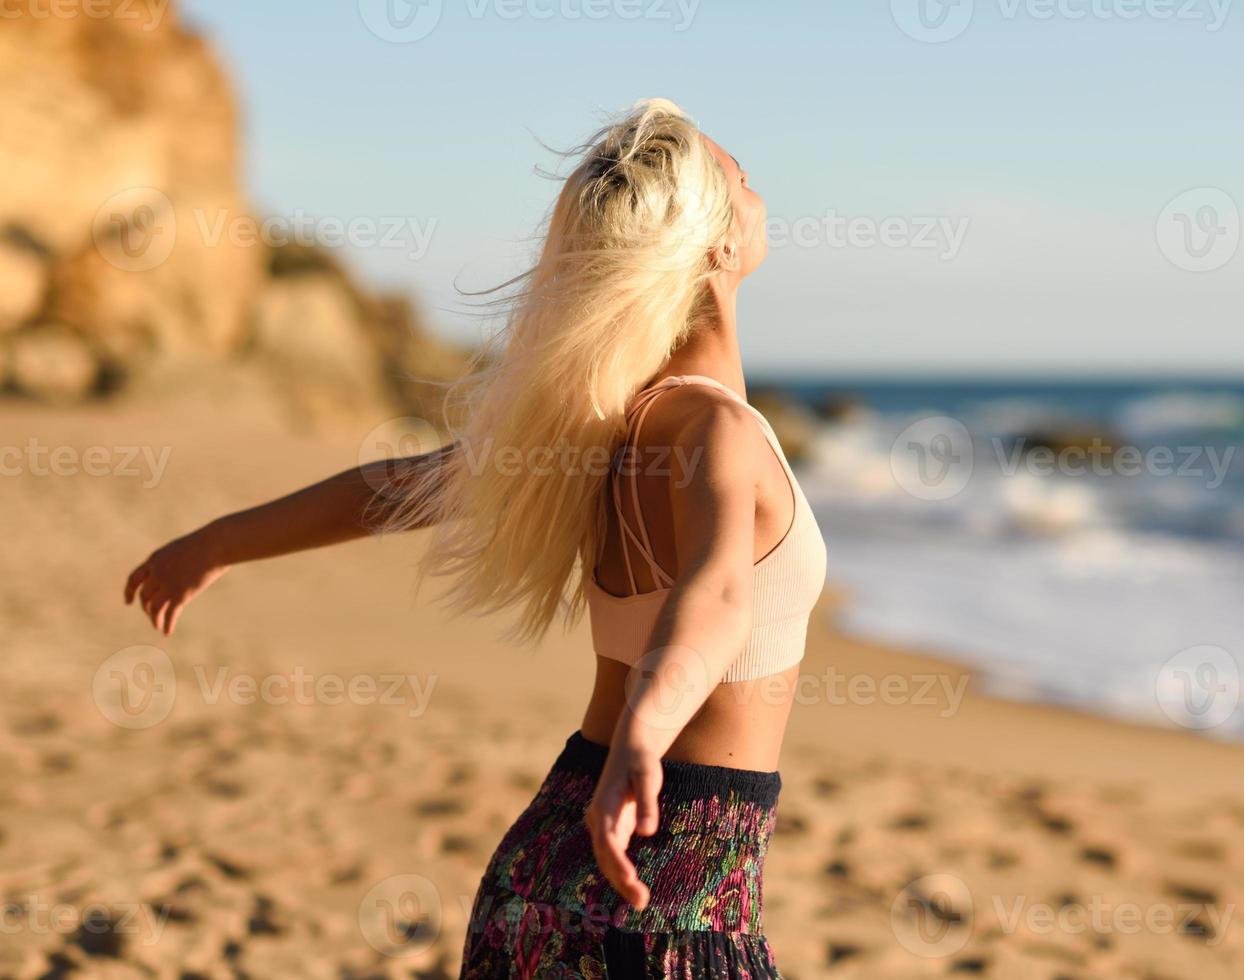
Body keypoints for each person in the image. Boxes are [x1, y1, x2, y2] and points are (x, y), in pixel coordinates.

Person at [124, 98, 826, 978]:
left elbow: (393, 491)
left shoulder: (593, 426)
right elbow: (718, 591)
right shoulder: (714, 431)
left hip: (541, 872)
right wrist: (645, 736)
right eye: (742, 178)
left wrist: (220, 541)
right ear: (715, 243)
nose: (760, 190)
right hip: (670, 888)